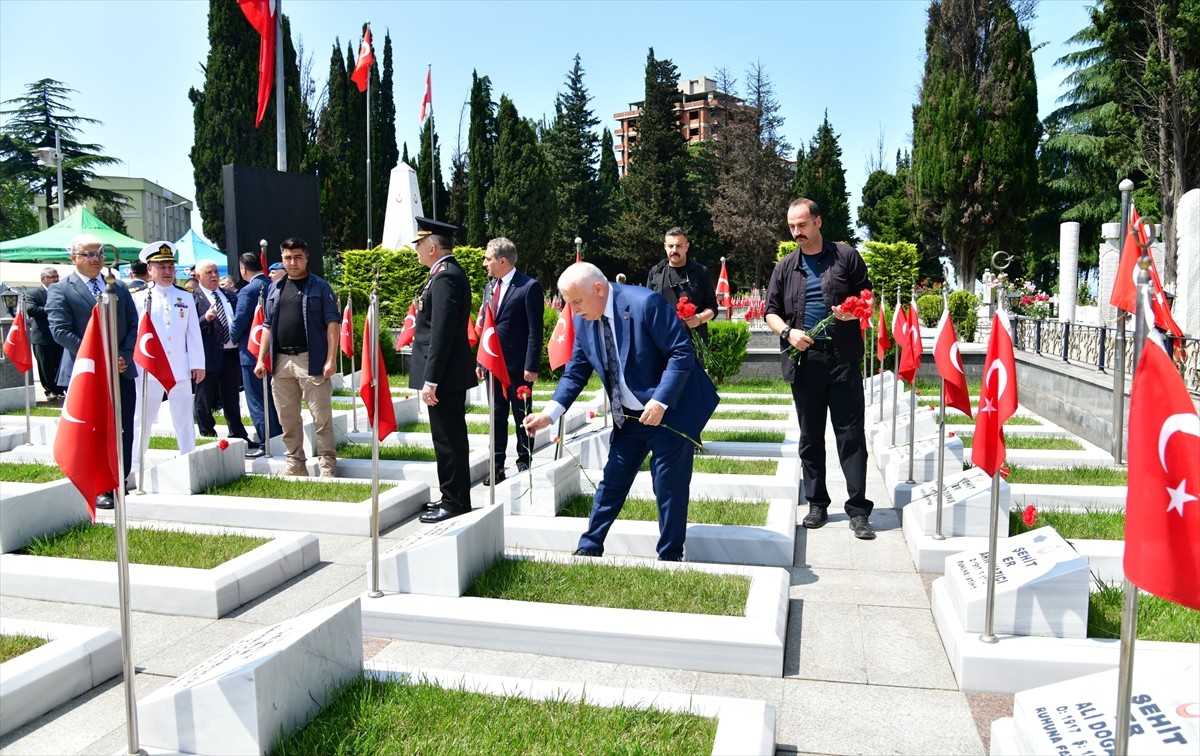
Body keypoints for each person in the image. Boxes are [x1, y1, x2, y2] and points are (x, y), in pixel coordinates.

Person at [524, 262, 720, 561]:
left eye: (577, 301)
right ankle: (589, 547)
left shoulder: (645, 304)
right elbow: (576, 372)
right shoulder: (583, 319)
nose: (573, 310)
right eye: (569, 303)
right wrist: (549, 413)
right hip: (629, 417)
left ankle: (670, 556)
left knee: (669, 485)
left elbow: (681, 352)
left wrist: (660, 401)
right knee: (612, 480)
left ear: (599, 289)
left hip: (670, 412)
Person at [764, 198, 876, 540]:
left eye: (802, 225)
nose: (796, 232)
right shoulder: (785, 267)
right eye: (792, 226)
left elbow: (868, 297)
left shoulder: (846, 257)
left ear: (818, 222)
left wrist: (854, 311)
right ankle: (817, 503)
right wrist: (788, 332)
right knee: (810, 436)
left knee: (851, 435)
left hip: (842, 359)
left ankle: (858, 510)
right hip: (805, 362)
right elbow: (770, 311)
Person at [45, 234, 138, 510]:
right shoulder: (62, 290)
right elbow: (61, 331)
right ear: (73, 257)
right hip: (87, 373)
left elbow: (133, 324)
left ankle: (119, 480)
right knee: (96, 430)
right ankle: (99, 486)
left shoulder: (118, 288)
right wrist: (100, 357)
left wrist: (123, 355)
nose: (96, 259)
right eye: (89, 254)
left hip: (121, 370)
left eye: (99, 253)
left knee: (124, 429)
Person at [409, 217, 477, 523]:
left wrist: (431, 379)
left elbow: (442, 333)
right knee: (445, 438)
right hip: (444, 376)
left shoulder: (446, 277)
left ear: (433, 247)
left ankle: (456, 501)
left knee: (449, 440)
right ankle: (450, 494)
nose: (417, 251)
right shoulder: (441, 275)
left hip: (445, 377)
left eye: (420, 245)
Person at [253, 238, 340, 477]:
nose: (293, 262)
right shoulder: (275, 288)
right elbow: (267, 325)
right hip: (281, 361)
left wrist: (331, 359)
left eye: (298, 257)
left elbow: (333, 323)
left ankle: (327, 465)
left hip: (311, 359)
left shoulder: (320, 287)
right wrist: (261, 359)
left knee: (320, 417)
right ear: (282, 258)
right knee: (287, 418)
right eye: (288, 257)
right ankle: (295, 463)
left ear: (306, 257)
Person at [129, 242, 206, 482]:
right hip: (148, 370)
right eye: (161, 266)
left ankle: (188, 461)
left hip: (179, 368)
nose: (167, 270)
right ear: (149, 269)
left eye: (170, 265)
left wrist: (198, 363)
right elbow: (134, 334)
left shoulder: (185, 296)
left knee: (184, 419)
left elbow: (193, 333)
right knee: (142, 420)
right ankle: (133, 469)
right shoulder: (138, 298)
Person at [475, 236, 544, 485]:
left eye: (488, 258)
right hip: (493, 365)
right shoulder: (489, 287)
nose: (485, 263)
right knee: (496, 416)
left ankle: (524, 461)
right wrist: (480, 362)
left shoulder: (529, 287)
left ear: (503, 260)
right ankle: (496, 466)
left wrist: (531, 366)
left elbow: (536, 330)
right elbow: (486, 327)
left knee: (521, 416)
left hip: (518, 368)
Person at [192, 259, 250, 443]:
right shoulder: (193, 298)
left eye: (216, 271)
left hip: (231, 354)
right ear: (198, 276)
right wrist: (205, 319)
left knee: (231, 397)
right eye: (209, 272)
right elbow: (188, 328)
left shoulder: (230, 296)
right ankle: (207, 433)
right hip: (207, 355)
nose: (214, 275)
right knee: (204, 397)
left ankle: (239, 434)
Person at [231, 251, 278, 458]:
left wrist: (231, 337)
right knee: (273, 399)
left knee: (257, 400)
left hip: (252, 353)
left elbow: (239, 323)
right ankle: (276, 437)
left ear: (243, 269)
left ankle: (266, 440)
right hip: (273, 352)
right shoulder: (274, 285)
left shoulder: (247, 291)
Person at [645, 226, 718, 360]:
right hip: (661, 342)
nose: (674, 250)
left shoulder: (701, 272)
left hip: (692, 342)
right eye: (671, 246)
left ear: (687, 247)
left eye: (679, 246)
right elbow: (646, 309)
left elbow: (713, 308)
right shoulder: (656, 272)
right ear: (665, 246)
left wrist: (699, 319)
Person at [21, 267, 66, 400]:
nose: (56, 279)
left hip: (61, 336)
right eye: (53, 277)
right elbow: (32, 310)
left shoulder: (62, 291)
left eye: (57, 276)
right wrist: (52, 309)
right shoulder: (34, 293)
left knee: (60, 365)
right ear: (43, 279)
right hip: (42, 337)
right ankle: (50, 391)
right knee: (46, 366)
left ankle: (60, 390)